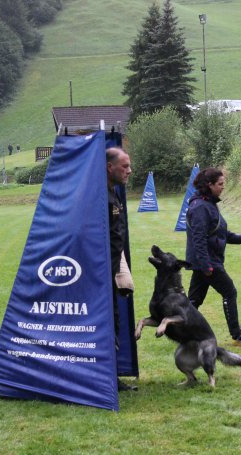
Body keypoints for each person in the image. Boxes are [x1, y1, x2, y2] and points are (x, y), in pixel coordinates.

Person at [185, 167, 241, 346]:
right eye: (220, 184)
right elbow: (199, 239)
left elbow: (219, 232)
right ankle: (237, 335)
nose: (223, 187)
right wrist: (206, 266)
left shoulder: (208, 204)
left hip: (204, 262)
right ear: (209, 185)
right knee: (229, 292)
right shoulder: (201, 207)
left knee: (193, 302)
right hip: (208, 262)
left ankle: (177, 330)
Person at [106, 147, 137, 391]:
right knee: (107, 324)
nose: (129, 171)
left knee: (114, 323)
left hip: (111, 271)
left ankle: (111, 377)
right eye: (125, 166)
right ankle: (107, 379)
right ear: (109, 167)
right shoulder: (100, 197)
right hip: (99, 276)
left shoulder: (114, 193)